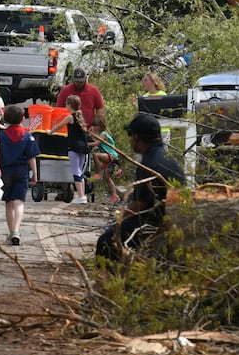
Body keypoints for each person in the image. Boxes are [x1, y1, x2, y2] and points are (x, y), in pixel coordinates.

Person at [96, 112, 186, 259]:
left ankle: (108, 279)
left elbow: (137, 207)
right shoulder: (168, 158)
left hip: (156, 225)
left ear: (136, 137)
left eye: (131, 136)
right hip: (174, 220)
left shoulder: (148, 164)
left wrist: (115, 223)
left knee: (106, 241)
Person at [0, 105, 40, 245]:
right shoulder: (27, 136)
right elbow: (31, 157)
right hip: (22, 172)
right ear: (23, 119)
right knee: (19, 202)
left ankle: (11, 233)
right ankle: (16, 230)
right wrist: (35, 174)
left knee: (8, 203)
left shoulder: (1, 136)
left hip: (6, 172)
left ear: (5, 118)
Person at [64, 93, 91, 204]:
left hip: (74, 147)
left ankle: (80, 196)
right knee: (80, 171)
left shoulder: (70, 117)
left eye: (66, 104)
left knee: (76, 171)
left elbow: (59, 125)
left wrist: (50, 132)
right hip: (83, 147)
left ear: (69, 105)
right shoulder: (80, 116)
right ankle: (82, 195)